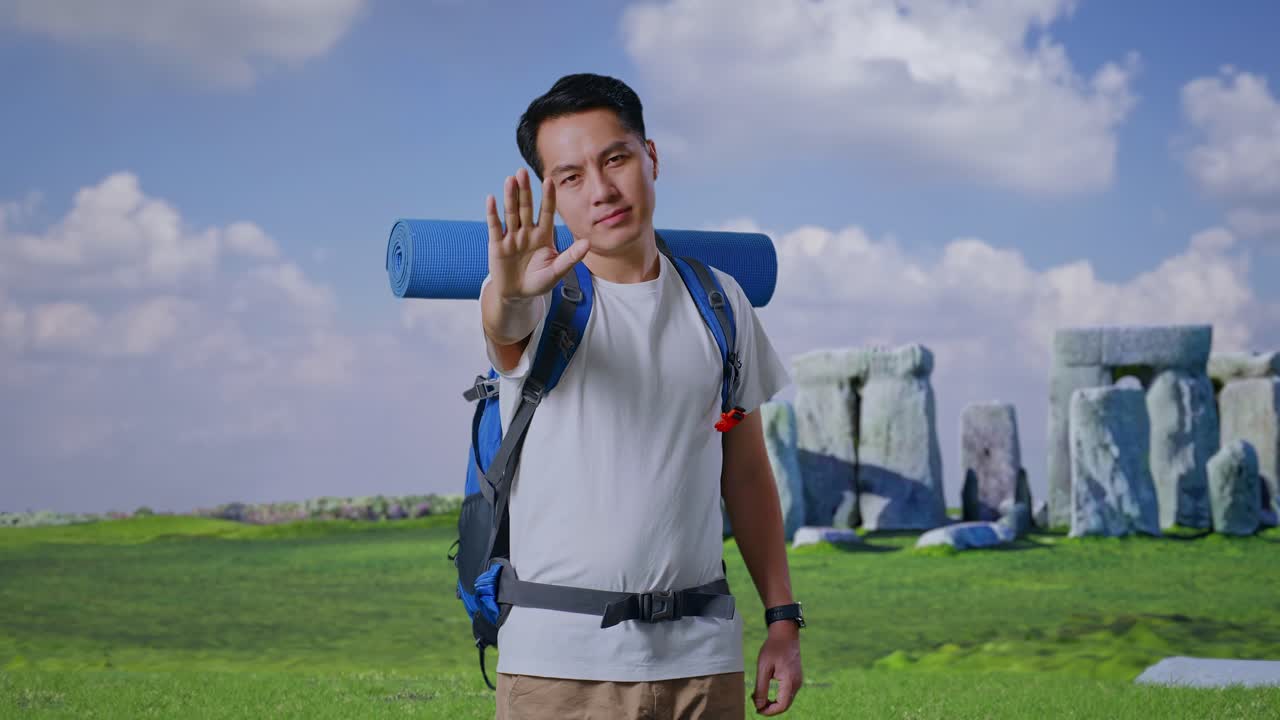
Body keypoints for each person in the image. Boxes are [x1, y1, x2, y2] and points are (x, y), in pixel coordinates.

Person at [479, 72, 803, 719]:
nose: (601, 189)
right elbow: (502, 325)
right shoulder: (540, 305)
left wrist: (782, 619)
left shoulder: (721, 306)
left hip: (703, 665)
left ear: (649, 157)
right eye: (571, 177)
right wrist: (511, 293)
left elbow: (742, 466)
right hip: (559, 671)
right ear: (551, 195)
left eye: (616, 159)